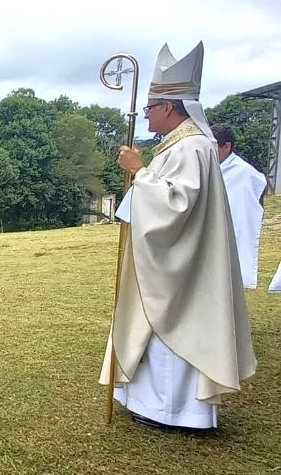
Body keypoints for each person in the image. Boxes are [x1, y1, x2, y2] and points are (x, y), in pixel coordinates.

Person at [102, 41, 256, 430]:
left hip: (180, 270)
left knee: (169, 326)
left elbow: (176, 205)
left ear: (169, 107)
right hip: (171, 260)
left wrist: (139, 172)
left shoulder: (192, 147)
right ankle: (154, 406)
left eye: (150, 108)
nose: (145, 115)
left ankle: (176, 412)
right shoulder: (183, 146)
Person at [212, 123, 267, 289]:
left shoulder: (243, 173)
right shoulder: (212, 167)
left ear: (227, 146)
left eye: (212, 147)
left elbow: (242, 209)